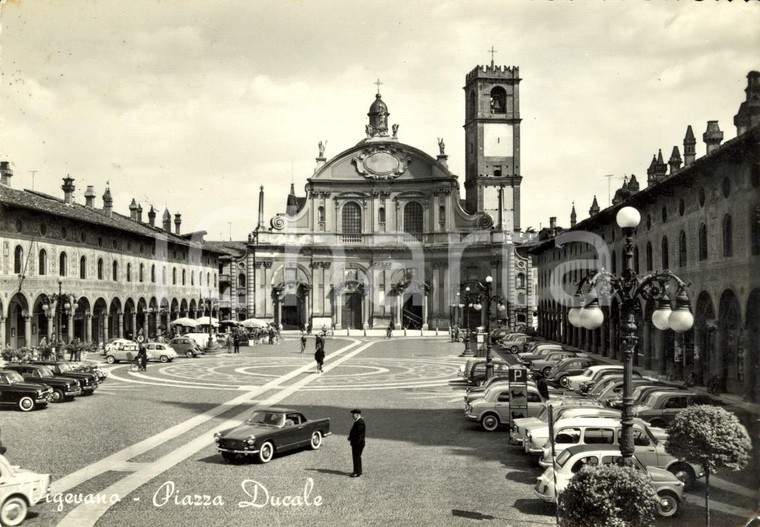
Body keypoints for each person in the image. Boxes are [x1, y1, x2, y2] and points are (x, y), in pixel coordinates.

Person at [348, 409, 365, 478]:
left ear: (357, 414)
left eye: (353, 414)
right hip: (357, 443)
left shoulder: (360, 422)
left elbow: (358, 434)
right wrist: (350, 437)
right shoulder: (358, 421)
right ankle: (358, 471)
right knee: (356, 458)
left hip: (357, 444)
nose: (352, 416)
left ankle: (356, 472)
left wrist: (354, 440)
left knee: (356, 458)